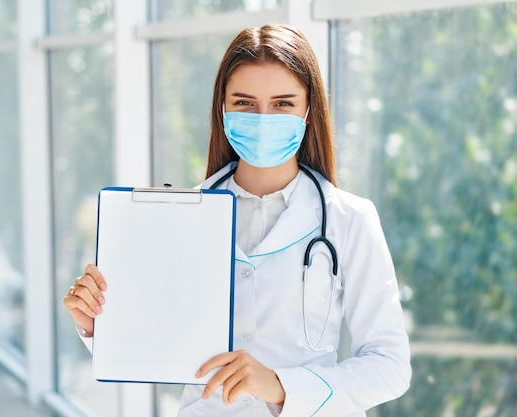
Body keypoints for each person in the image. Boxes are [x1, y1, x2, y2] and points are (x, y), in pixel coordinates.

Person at [63, 23, 411, 417]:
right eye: (245, 103)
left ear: (309, 112)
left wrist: (280, 386)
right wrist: (95, 324)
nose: (263, 118)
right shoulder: (178, 217)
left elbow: (390, 367)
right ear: (223, 110)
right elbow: (152, 340)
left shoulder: (350, 219)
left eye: (283, 104)